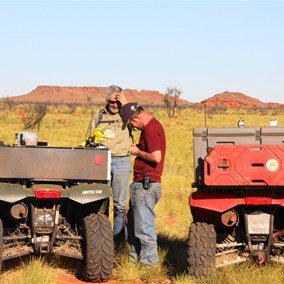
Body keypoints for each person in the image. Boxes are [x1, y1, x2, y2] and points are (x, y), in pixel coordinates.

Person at [119, 102, 166, 266]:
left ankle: (149, 264)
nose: (132, 126)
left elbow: (156, 157)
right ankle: (133, 261)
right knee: (133, 224)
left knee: (144, 226)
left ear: (137, 116)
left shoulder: (151, 129)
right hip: (143, 184)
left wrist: (137, 152)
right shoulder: (150, 127)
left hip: (146, 185)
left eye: (131, 122)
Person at [86, 85, 132, 239]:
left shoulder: (127, 115)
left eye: (118, 102)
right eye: (112, 102)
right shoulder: (98, 116)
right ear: (106, 100)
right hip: (101, 163)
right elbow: (89, 139)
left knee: (120, 206)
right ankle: (101, 240)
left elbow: (140, 121)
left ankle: (118, 241)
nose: (115, 105)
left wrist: (126, 105)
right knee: (101, 202)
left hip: (122, 161)